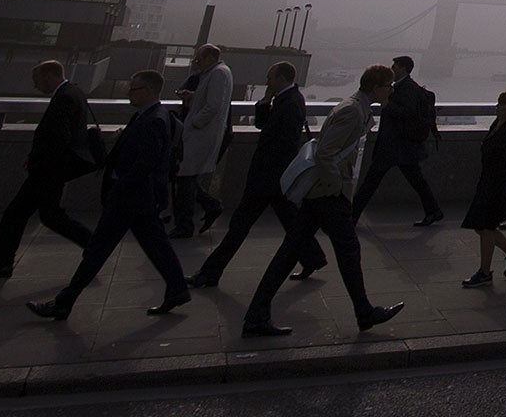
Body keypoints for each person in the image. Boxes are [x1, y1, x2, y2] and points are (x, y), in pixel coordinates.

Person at [238, 65, 403, 337]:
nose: (391, 90)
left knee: (290, 252)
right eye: (389, 85)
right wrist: (337, 189)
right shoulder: (352, 110)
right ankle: (364, 313)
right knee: (348, 250)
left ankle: (256, 315)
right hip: (328, 193)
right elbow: (326, 154)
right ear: (375, 87)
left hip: (321, 194)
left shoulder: (356, 108)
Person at [26, 68, 189, 321]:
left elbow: (147, 162)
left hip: (130, 198)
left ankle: (64, 303)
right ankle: (177, 289)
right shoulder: (147, 116)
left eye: (133, 88)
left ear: (148, 91)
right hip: (138, 199)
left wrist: (121, 187)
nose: (128, 93)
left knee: (98, 250)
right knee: (156, 245)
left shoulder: (153, 119)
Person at [190, 60, 327, 288]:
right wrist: (265, 101)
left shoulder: (292, 103)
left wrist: (270, 170)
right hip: (273, 178)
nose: (267, 82)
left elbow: (285, 141)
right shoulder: (285, 99)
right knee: (291, 222)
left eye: (270, 77)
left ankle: (210, 273)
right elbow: (262, 124)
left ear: (281, 78)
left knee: (240, 226)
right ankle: (313, 257)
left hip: (268, 177)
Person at [0, 60, 96, 278]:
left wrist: (40, 163)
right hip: (52, 169)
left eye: (37, 80)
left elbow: (58, 137)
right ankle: (95, 246)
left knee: (15, 214)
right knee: (51, 216)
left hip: (47, 170)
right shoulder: (74, 92)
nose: (36, 85)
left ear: (49, 76)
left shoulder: (65, 97)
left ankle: (1, 263)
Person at [351, 55, 443, 225]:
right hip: (401, 146)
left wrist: (387, 104)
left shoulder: (407, 89)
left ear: (403, 68)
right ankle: (434, 210)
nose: (392, 69)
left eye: (395, 66)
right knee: (417, 181)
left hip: (395, 145)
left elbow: (408, 114)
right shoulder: (401, 87)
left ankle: (351, 217)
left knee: (370, 183)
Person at [459, 89, 506, 286]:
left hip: (499, 187)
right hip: (488, 182)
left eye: (502, 104)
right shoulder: (497, 125)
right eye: (498, 103)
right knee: (481, 226)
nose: (498, 107)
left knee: (485, 227)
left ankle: (485, 272)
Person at [171, 45, 232, 239]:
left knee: (185, 176)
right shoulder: (218, 73)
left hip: (201, 134)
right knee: (186, 177)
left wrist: (195, 123)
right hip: (201, 133)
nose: (196, 63)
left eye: (199, 58)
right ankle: (208, 206)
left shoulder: (218, 74)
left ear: (210, 58)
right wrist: (194, 96)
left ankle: (186, 223)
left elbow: (213, 105)